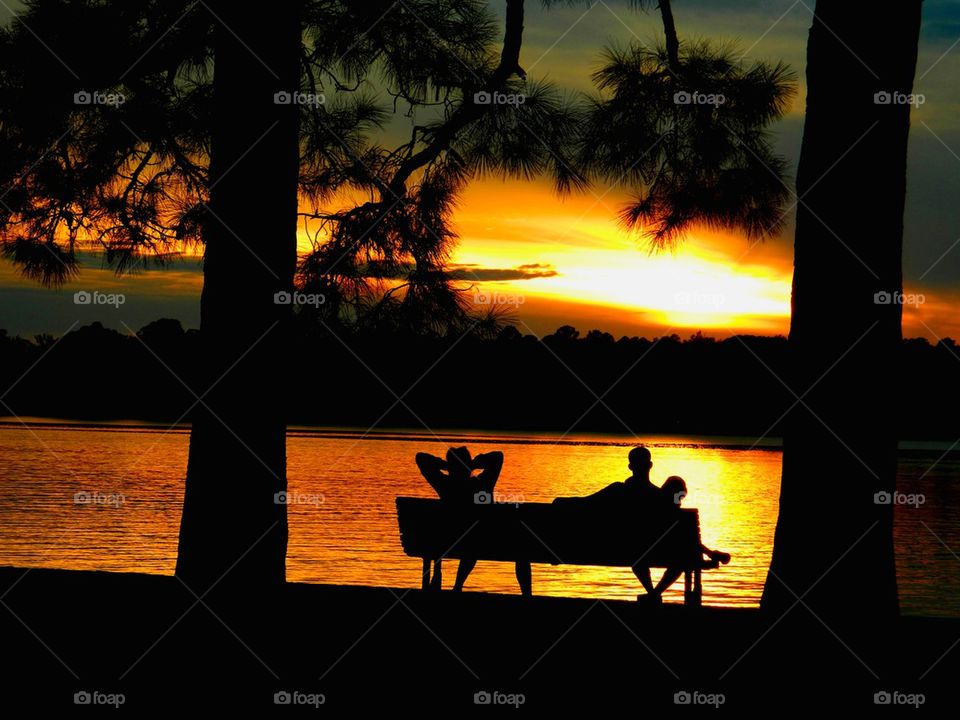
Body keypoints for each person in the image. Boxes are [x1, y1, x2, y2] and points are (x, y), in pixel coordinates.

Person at [415, 446, 531, 595]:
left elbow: (421, 458)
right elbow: (498, 457)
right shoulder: (482, 484)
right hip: (481, 543)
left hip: (448, 542)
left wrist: (446, 465)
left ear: (451, 467)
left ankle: (451, 583)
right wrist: (474, 463)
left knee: (462, 539)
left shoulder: (444, 485)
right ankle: (527, 597)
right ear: (467, 465)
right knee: (519, 547)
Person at [553, 446, 663, 596]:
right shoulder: (659, 497)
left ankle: (557, 549)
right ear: (650, 465)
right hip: (650, 551)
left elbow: (586, 504)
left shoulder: (617, 490)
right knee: (638, 551)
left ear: (630, 467)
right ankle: (653, 593)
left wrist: (560, 501)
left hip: (611, 548)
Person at [640, 476, 730, 604]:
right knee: (682, 559)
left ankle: (653, 594)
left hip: (643, 551)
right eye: (680, 497)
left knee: (683, 549)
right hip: (670, 553)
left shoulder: (652, 506)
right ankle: (655, 594)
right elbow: (689, 541)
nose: (680, 502)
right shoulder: (675, 514)